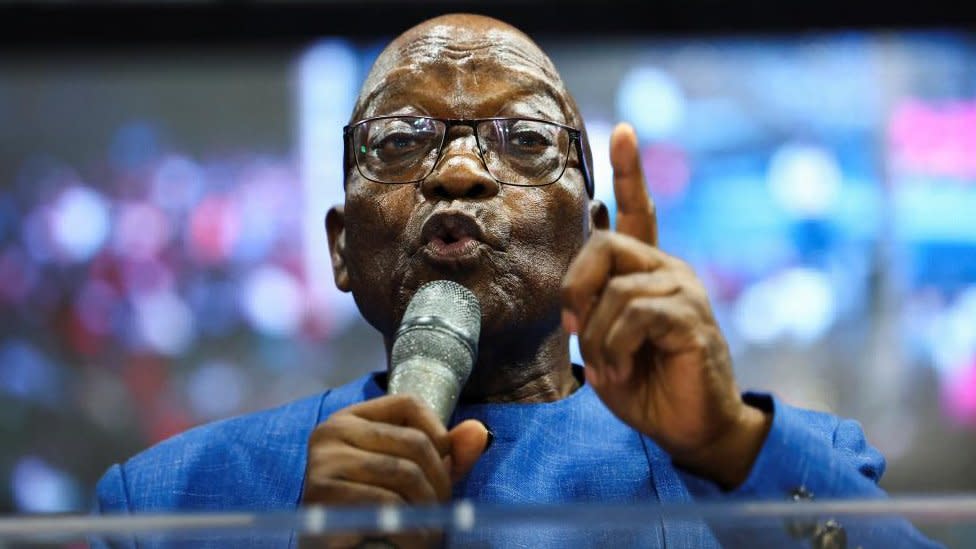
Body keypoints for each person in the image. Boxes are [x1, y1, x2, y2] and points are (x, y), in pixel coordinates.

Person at [93, 12, 943, 549]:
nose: (458, 171)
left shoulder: (771, 462)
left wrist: (727, 443)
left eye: (526, 141)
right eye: (398, 141)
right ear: (343, 249)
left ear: (597, 243)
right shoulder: (166, 506)